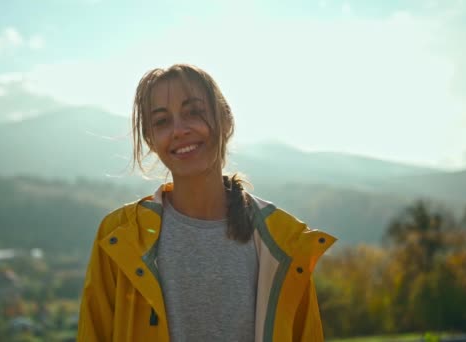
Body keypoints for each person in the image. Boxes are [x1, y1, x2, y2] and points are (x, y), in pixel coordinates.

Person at [77, 64, 336, 341]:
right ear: (150, 140)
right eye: (162, 121)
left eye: (193, 112)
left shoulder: (283, 243)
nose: (179, 130)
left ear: (226, 120)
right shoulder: (120, 235)